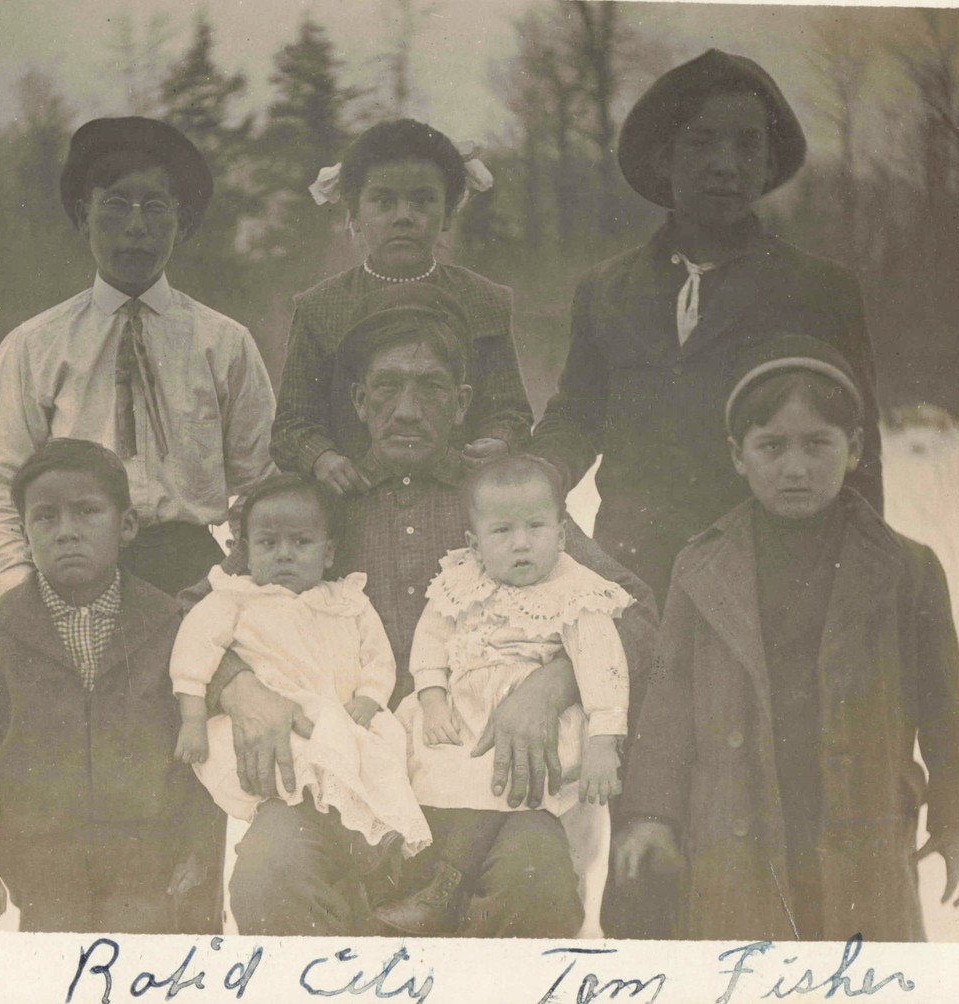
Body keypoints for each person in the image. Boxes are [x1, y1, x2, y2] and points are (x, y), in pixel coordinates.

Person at [530, 48, 887, 939]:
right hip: (638, 587)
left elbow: (859, 462)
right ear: (663, 160)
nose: (724, 164)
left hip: (768, 591)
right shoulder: (606, 291)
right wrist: (526, 481)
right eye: (700, 143)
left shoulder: (818, 291)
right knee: (647, 819)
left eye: (745, 145)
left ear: (767, 162)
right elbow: (575, 416)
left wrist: (859, 603)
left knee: (765, 824)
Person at [196, 283, 657, 937]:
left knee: (537, 880)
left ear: (463, 402)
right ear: (358, 402)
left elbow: (637, 614)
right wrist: (238, 688)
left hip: (484, 782)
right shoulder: (316, 509)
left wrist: (554, 685)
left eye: (431, 388)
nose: (407, 410)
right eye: (386, 389)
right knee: (271, 873)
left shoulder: (504, 507)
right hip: (340, 779)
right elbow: (196, 611)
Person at [614, 336, 959, 941]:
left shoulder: (908, 569)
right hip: (735, 826)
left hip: (862, 825)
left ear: (855, 448)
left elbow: (945, 707)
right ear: (738, 455)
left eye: (818, 444)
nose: (795, 468)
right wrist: (653, 814)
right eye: (771, 446)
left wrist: (955, 821)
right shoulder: (699, 568)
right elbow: (667, 703)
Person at [0, 117, 276, 599]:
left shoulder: (225, 344)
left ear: (181, 223)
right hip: (73, 577)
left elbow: (262, 485)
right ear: (83, 216)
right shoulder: (35, 346)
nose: (136, 227)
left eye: (155, 207)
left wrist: (230, 579)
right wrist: (21, 593)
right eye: (114, 205)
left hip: (194, 583)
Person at [0, 439, 219, 933]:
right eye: (45, 517)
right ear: (24, 533)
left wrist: (199, 850)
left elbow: (206, 751)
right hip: (45, 868)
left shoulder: (168, 624)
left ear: (126, 526)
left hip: (150, 867)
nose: (66, 531)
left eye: (87, 512)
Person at [375, 455, 633, 935]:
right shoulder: (459, 582)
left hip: (538, 728)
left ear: (561, 534)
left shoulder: (577, 591)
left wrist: (604, 741)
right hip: (465, 715)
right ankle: (413, 869)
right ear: (475, 545)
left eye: (536, 527)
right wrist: (432, 697)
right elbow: (430, 640)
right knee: (420, 767)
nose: (521, 543)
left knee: (498, 786)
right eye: (502, 531)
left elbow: (605, 666)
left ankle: (445, 888)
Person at [170, 472, 431, 867]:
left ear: (328, 553)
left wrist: (370, 697)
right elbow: (193, 651)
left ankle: (380, 835)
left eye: (301, 542)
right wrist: (192, 719)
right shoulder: (233, 599)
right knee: (300, 764)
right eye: (268, 543)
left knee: (381, 754)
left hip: (342, 717)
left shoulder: (348, 601)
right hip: (275, 722)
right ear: (246, 552)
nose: (284, 555)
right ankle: (346, 833)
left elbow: (378, 658)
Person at [272, 118, 533, 496]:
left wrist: (499, 441)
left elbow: (511, 411)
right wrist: (322, 458)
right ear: (354, 214)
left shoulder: (484, 300)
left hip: (461, 499)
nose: (404, 216)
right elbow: (292, 425)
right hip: (355, 500)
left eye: (423, 201)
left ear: (448, 213)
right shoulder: (319, 308)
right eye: (383, 202)